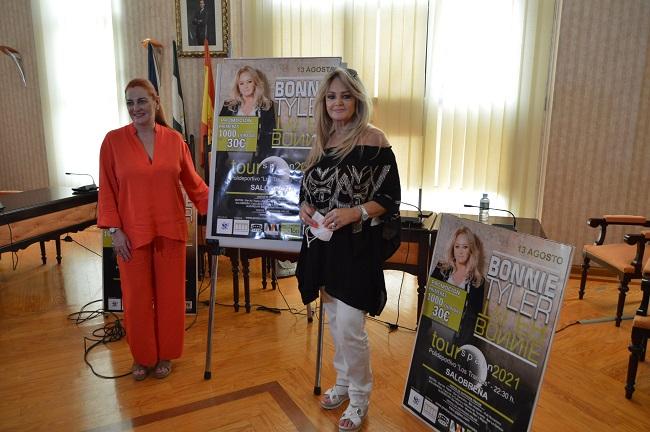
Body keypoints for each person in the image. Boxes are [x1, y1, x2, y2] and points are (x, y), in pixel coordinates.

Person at [295, 68, 401, 432]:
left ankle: (360, 397)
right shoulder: (322, 139)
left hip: (356, 247)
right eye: (331, 97)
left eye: (345, 96)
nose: (337, 103)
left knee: (352, 326)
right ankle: (342, 383)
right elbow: (308, 190)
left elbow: (389, 197)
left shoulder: (374, 140)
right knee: (336, 324)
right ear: (323, 102)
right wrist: (304, 208)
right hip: (324, 247)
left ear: (357, 100)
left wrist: (355, 212)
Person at [98, 78, 208, 381]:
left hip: (170, 230)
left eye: (141, 101)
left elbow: (194, 184)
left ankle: (165, 355)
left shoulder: (174, 140)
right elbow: (106, 190)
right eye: (130, 102)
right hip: (130, 235)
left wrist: (220, 209)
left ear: (155, 101)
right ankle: (142, 357)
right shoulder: (112, 141)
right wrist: (114, 231)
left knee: (171, 297)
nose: (136, 108)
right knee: (135, 299)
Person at [431, 226, 486, 344]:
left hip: (458, 341)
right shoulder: (441, 269)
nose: (460, 252)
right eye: (457, 246)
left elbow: (474, 320)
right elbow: (428, 301)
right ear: (452, 249)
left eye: (465, 247)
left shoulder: (478, 281)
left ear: (471, 249)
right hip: (433, 334)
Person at [219, 65, 276, 157]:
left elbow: (270, 138)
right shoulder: (228, 106)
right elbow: (220, 137)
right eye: (241, 83)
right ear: (238, 86)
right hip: (229, 163)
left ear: (255, 83)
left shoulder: (267, 106)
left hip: (257, 159)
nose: (245, 86)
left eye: (249, 82)